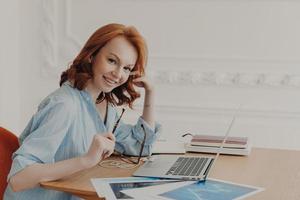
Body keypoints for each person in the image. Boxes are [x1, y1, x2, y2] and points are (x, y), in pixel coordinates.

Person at [4, 23, 161, 200]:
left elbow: (140, 146)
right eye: (112, 61)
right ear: (91, 56)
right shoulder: (64, 105)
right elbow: (19, 179)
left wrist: (150, 92)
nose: (118, 74)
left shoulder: (105, 104)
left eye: (126, 68)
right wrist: (85, 160)